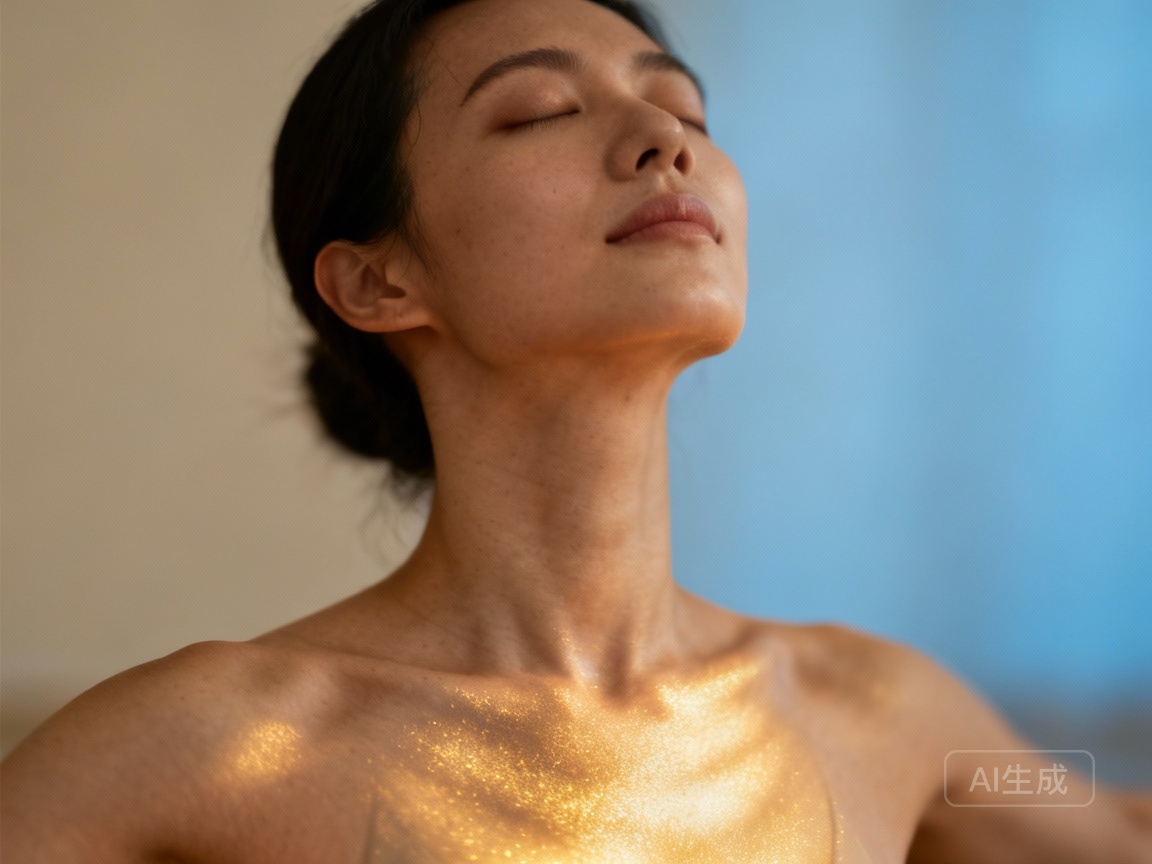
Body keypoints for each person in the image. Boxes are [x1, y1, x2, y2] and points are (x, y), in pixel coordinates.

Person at [1, 0, 1149, 861]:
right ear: (378, 280)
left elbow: (1097, 809)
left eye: (688, 108)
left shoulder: (891, 711)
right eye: (540, 110)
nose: (665, 137)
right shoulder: (213, 743)